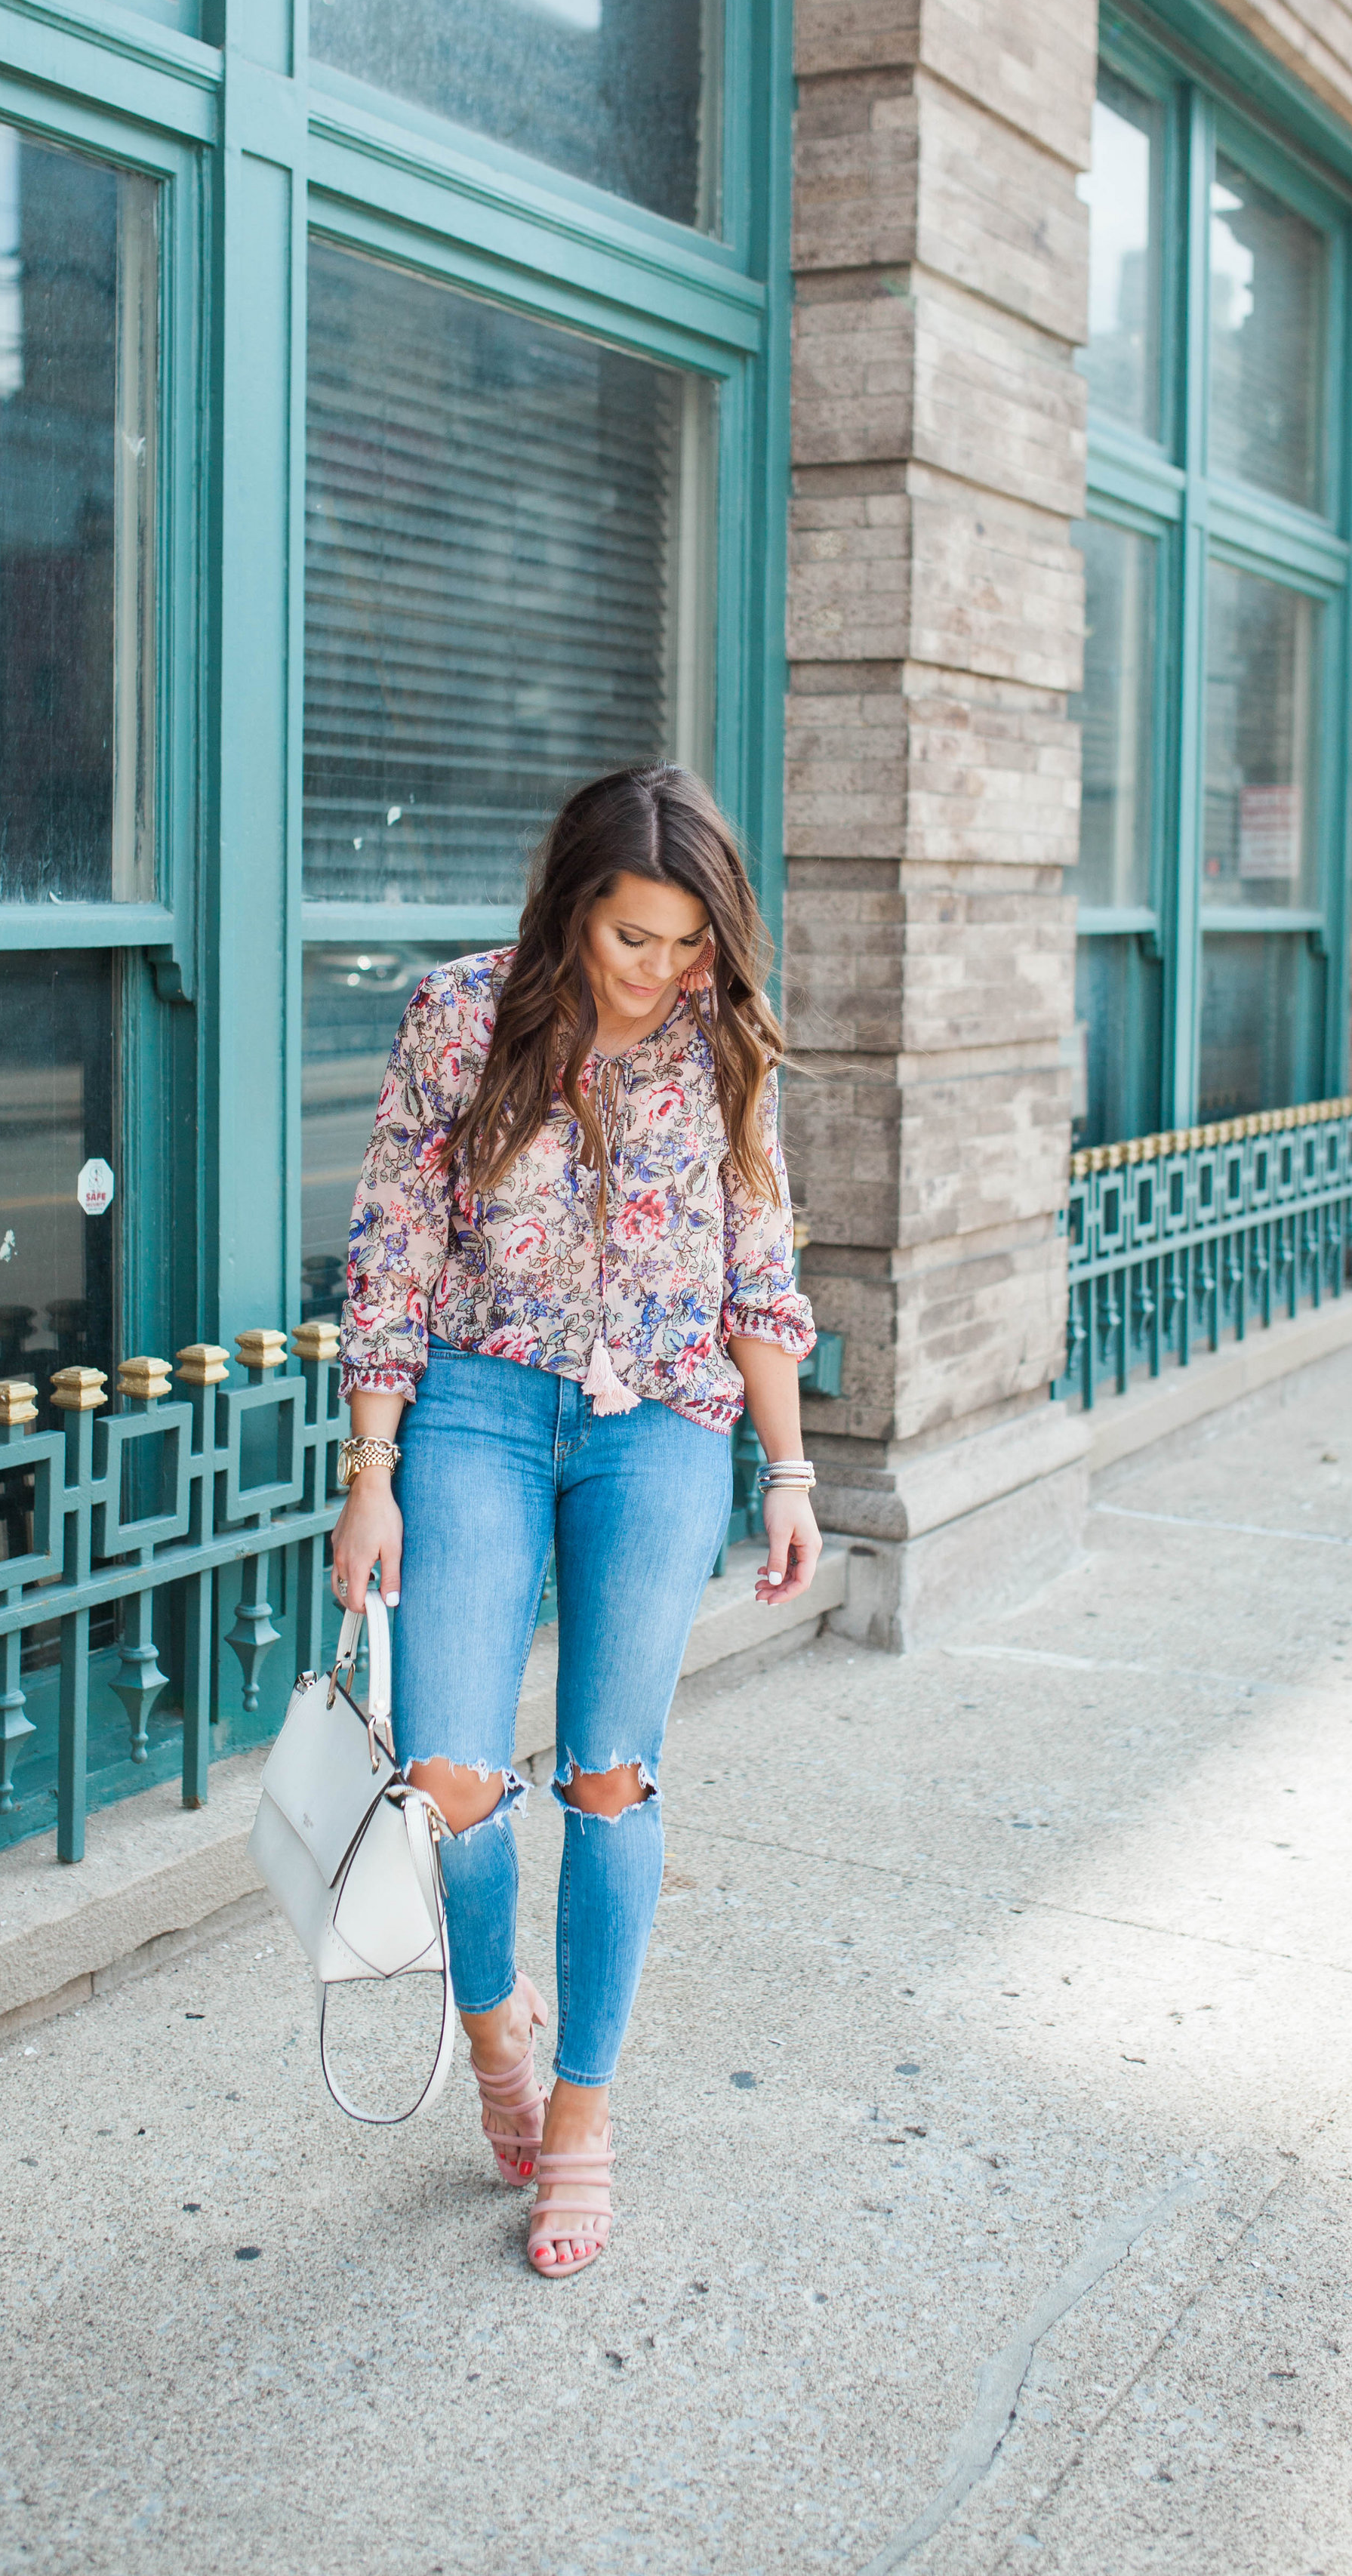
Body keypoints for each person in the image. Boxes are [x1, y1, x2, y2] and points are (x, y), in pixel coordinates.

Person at [330, 762, 820, 2279]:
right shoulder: (458, 1016)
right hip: (476, 1402)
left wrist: (788, 1470)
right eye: (633, 939)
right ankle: (495, 2027)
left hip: (661, 1421)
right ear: (567, 912)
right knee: (452, 1775)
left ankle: (586, 2114)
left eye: (687, 943)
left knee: (609, 1772)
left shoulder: (722, 1042)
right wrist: (368, 1462)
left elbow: (755, 1262)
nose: (662, 972)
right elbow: (392, 1240)